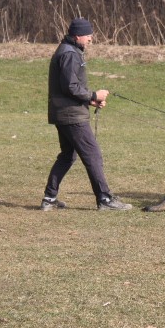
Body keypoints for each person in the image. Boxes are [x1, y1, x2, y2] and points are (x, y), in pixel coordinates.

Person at [40, 17, 132, 211]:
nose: (91, 38)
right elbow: (70, 86)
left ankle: (49, 198)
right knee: (93, 155)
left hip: (63, 112)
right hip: (71, 116)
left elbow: (69, 88)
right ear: (78, 35)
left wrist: (89, 100)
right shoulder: (70, 53)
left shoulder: (68, 50)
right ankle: (105, 200)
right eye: (88, 35)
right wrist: (93, 95)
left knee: (67, 156)